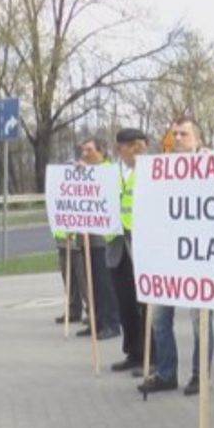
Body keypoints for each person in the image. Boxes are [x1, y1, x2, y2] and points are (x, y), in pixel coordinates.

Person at [136, 117, 214, 396]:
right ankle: (166, 373)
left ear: (198, 140)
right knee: (159, 317)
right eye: (175, 134)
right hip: (166, 257)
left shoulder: (212, 166)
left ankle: (200, 376)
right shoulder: (159, 170)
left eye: (184, 134)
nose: (178, 138)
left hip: (198, 256)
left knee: (200, 320)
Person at [106, 128, 148, 373]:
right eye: (128, 146)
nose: (133, 150)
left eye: (138, 145)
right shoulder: (113, 171)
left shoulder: (151, 171)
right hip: (117, 246)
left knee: (145, 304)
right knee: (125, 303)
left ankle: (149, 355)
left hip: (141, 244)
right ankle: (132, 351)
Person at [74, 138, 120, 341]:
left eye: (89, 150)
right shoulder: (83, 171)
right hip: (87, 238)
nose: (85, 154)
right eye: (83, 150)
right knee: (90, 284)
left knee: (104, 284)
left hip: (103, 238)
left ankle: (111, 322)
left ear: (101, 151)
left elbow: (106, 190)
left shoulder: (109, 170)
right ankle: (97, 321)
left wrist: (90, 174)